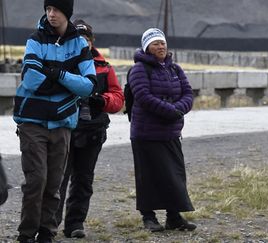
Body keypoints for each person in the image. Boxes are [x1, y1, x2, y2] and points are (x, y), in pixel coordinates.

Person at [12, 0, 96, 242]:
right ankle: (26, 233)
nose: (51, 14)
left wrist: (57, 73)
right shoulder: (35, 39)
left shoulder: (80, 45)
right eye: (48, 9)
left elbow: (88, 86)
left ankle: (47, 232)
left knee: (54, 183)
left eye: (56, 9)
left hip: (62, 123)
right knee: (36, 179)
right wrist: (68, 84)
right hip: (31, 121)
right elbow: (30, 79)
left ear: (67, 13)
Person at [55, 19, 125, 238]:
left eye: (86, 38)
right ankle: (49, 223)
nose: (83, 41)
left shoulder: (104, 66)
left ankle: (75, 224)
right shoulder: (59, 61)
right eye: (78, 38)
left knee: (83, 180)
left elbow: (118, 97)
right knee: (57, 180)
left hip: (92, 131)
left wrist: (102, 101)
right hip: (63, 130)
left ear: (92, 40)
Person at [128, 28, 196, 232]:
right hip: (145, 134)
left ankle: (174, 217)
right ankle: (149, 218)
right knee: (148, 176)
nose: (160, 46)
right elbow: (143, 96)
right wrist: (171, 111)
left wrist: (178, 109)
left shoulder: (175, 69)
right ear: (146, 47)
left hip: (170, 132)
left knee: (174, 175)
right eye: (155, 43)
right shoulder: (139, 69)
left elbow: (188, 93)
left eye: (162, 42)